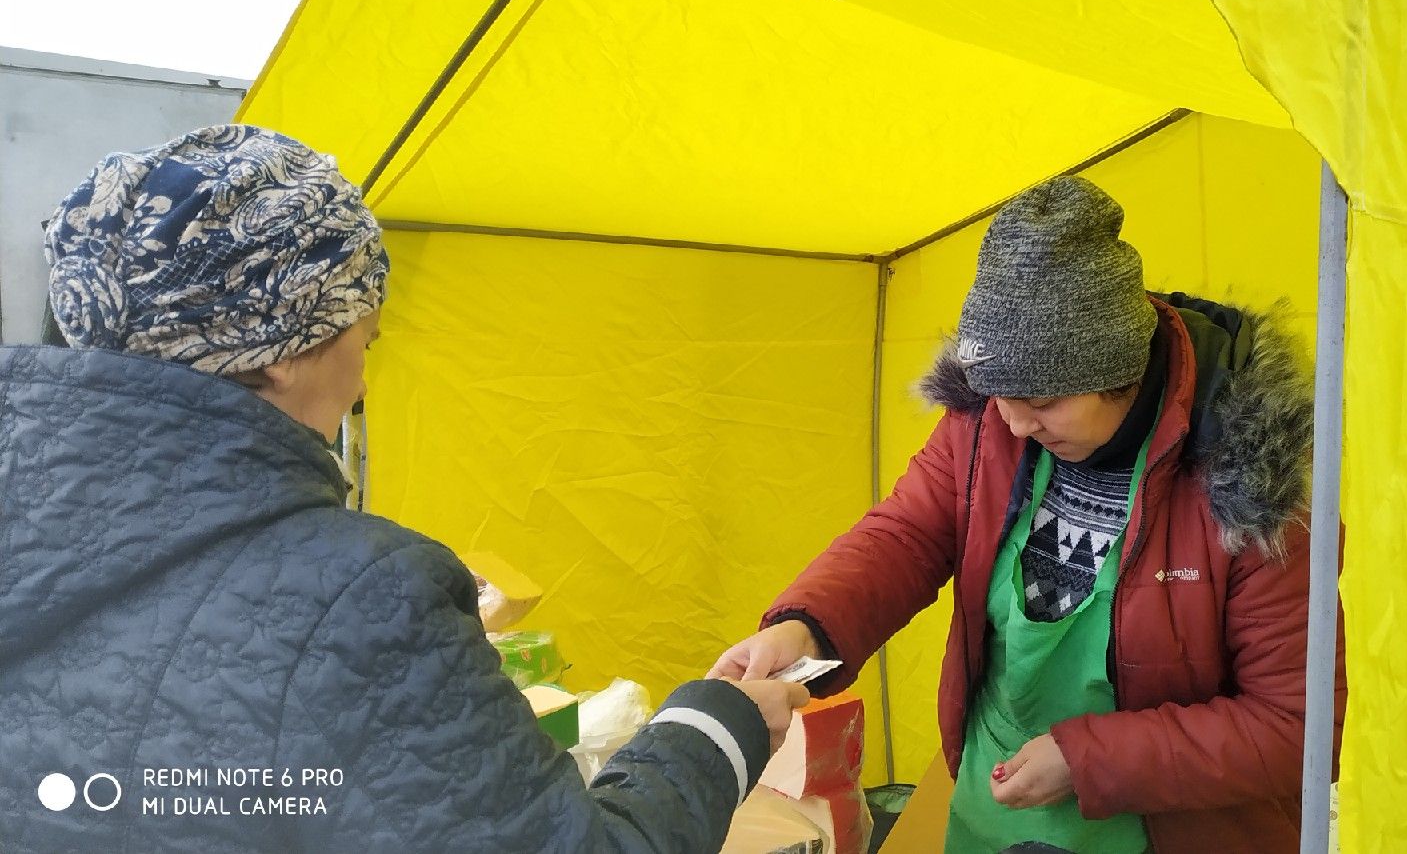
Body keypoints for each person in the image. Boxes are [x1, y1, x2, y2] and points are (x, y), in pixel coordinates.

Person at [0, 124, 807, 853]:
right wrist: (713, 728)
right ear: (280, 349)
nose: (361, 378)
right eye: (364, 329)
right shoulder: (359, 598)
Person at [711, 176, 1346, 853]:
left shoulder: (1256, 487)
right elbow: (905, 535)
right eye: (998, 395)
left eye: (1041, 400)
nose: (1013, 422)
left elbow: (1296, 727)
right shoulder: (989, 421)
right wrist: (807, 629)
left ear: (1120, 371)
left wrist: (1088, 759)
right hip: (998, 805)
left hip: (1167, 827)